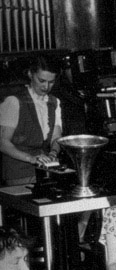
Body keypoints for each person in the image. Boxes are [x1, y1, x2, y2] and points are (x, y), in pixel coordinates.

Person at [0, 56, 62, 185]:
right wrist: (31, 158)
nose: (46, 86)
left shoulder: (54, 102)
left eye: (51, 82)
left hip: (44, 170)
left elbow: (56, 137)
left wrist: (53, 153)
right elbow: (3, 143)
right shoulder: (14, 101)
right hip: (19, 173)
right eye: (42, 80)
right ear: (30, 74)